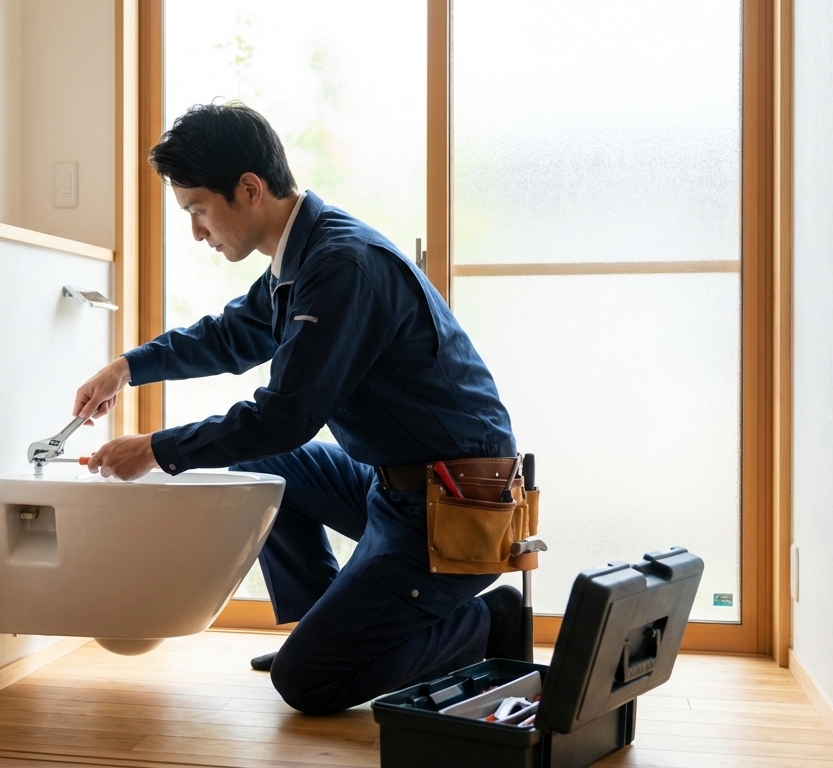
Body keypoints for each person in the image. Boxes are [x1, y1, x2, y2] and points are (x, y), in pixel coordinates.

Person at [72, 102, 523, 715]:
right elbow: (230, 335)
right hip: (398, 487)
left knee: (308, 683)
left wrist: (155, 450)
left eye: (198, 210)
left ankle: (486, 627)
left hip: (451, 505)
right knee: (273, 467)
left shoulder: (340, 265)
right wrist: (125, 368)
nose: (197, 232)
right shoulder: (301, 258)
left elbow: (285, 415)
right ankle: (328, 626)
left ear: (249, 189)